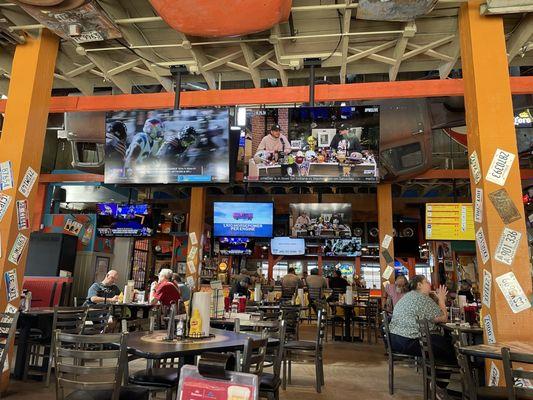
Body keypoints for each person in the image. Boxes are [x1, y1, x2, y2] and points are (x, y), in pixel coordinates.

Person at [389, 275, 456, 396]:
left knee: (439, 343)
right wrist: (441, 299)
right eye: (427, 282)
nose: (429, 284)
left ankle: (436, 380)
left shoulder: (408, 296)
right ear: (419, 285)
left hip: (395, 339)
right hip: (408, 340)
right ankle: (439, 386)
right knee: (448, 347)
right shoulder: (423, 298)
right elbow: (444, 318)